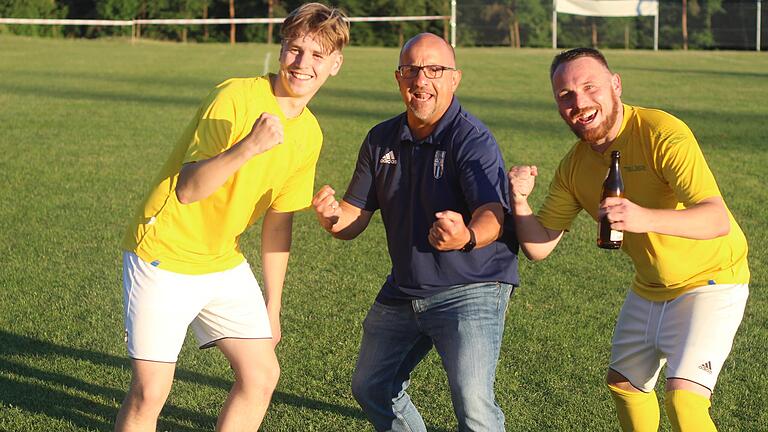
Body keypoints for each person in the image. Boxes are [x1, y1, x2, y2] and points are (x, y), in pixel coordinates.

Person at [114, 4, 348, 431]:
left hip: (221, 260)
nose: (302, 64)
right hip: (163, 254)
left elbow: (279, 220)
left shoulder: (310, 133)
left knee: (261, 376)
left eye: (317, 55)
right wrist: (248, 147)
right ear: (281, 50)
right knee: (151, 391)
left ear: (335, 64)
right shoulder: (235, 97)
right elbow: (187, 190)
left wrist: (273, 305)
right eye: (295, 50)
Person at [508, 47, 749, 432]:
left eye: (590, 87)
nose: (580, 102)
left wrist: (641, 217)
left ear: (616, 85)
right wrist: (518, 199)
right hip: (650, 286)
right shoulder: (575, 166)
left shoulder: (661, 132)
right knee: (624, 384)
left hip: (713, 279)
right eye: (566, 95)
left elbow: (717, 219)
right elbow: (539, 246)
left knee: (684, 400)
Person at [311, 33, 519, 431]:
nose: (421, 80)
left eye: (434, 70)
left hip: (471, 285)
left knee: (474, 406)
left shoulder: (472, 139)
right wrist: (333, 219)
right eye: (411, 70)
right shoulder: (380, 139)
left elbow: (494, 214)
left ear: (454, 79)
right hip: (405, 287)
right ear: (398, 77)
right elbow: (354, 217)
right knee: (372, 385)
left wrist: (466, 237)